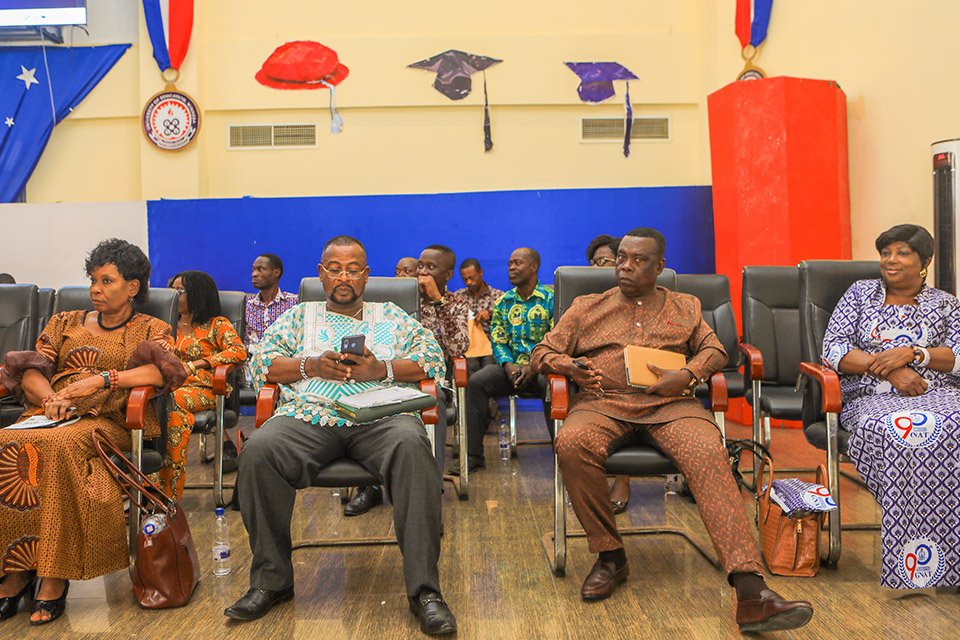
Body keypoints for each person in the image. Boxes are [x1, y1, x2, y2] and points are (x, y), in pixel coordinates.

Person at [530, 228, 814, 632]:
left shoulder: (685, 306)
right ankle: (611, 556)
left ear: (660, 266)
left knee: (709, 452)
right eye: (621, 258)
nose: (625, 266)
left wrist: (687, 373)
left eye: (639, 260)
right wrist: (567, 366)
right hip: (602, 404)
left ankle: (751, 591)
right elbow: (542, 351)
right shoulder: (586, 306)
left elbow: (716, 350)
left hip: (671, 407)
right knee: (572, 443)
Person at [226, 236, 457, 636]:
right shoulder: (299, 315)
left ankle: (425, 592)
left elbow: (434, 358)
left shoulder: (391, 315)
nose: (343, 276)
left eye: (353, 268)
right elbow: (259, 365)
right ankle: (271, 581)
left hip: (381, 417)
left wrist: (380, 369)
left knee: (413, 444)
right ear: (321, 274)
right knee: (259, 450)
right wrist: (309, 365)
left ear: (366, 275)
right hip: (308, 415)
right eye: (334, 268)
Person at [0, 238, 185, 625]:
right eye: (93, 280)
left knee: (59, 446)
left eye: (106, 281)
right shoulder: (64, 322)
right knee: (7, 440)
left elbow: (161, 372)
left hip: (107, 421)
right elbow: (31, 368)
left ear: (132, 287)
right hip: (50, 416)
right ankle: (16, 570)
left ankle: (53, 576)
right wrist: (52, 397)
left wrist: (100, 380)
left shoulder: (151, 327)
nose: (95, 290)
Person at [822, 223, 960, 590]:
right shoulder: (860, 294)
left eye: (902, 253)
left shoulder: (946, 303)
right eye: (885, 253)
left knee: (954, 427)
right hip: (871, 397)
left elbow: (958, 356)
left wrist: (917, 353)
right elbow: (833, 350)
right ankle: (920, 561)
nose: (890, 261)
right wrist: (889, 369)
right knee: (903, 431)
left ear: (924, 261)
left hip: (939, 395)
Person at [344, 245, 468, 517]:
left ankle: (429, 493)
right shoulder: (394, 301)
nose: (422, 272)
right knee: (362, 398)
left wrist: (437, 302)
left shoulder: (456, 303)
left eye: (430, 268)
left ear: (447, 274)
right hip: (383, 378)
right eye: (420, 266)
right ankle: (369, 487)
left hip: (427, 380)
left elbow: (458, 349)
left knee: (432, 401)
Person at [450, 248, 553, 475]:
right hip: (510, 369)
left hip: (540, 369)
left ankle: (562, 455)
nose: (511, 268)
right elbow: (497, 340)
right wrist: (508, 365)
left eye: (517, 263)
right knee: (477, 381)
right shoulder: (504, 302)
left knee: (552, 385)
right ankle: (473, 456)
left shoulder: (551, 299)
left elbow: (556, 339)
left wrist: (533, 366)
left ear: (534, 267)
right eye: (509, 264)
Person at [161, 271, 246, 500]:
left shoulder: (217, 324)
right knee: (168, 413)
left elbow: (238, 352)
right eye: (171, 290)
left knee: (170, 404)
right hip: (166, 389)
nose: (173, 295)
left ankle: (165, 494)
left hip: (205, 390)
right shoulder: (165, 326)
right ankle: (154, 489)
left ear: (198, 294)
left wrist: (198, 364)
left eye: (179, 291)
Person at [586, 235, 630, 515]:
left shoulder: (635, 296)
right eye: (592, 263)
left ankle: (622, 477)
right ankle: (587, 478)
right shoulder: (585, 300)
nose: (595, 268)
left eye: (603, 261)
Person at [453, 258, 504, 377]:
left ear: (481, 272)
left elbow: (507, 320)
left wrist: (490, 313)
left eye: (472, 277)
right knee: (471, 365)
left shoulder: (498, 296)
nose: (469, 282)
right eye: (465, 279)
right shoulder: (458, 297)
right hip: (469, 348)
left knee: (490, 366)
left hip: (492, 345)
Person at [245, 253, 298, 347]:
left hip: (283, 357)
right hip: (251, 358)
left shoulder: (294, 303)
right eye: (253, 270)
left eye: (260, 270)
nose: (254, 274)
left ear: (276, 273)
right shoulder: (246, 305)